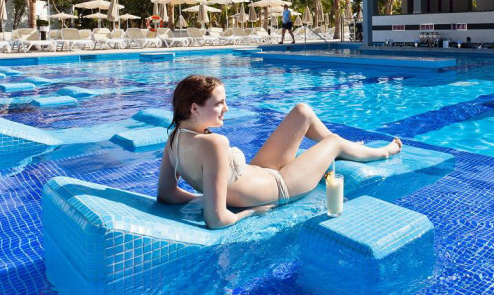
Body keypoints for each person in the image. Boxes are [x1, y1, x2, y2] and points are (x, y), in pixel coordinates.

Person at [157, 75, 403, 229]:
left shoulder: (173, 138)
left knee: (302, 111)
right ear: (194, 108)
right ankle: (383, 152)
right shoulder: (215, 143)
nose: (227, 108)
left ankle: (350, 149)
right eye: (219, 103)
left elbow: (166, 195)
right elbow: (217, 221)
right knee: (334, 142)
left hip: (262, 170)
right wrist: (250, 211)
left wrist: (209, 198)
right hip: (281, 186)